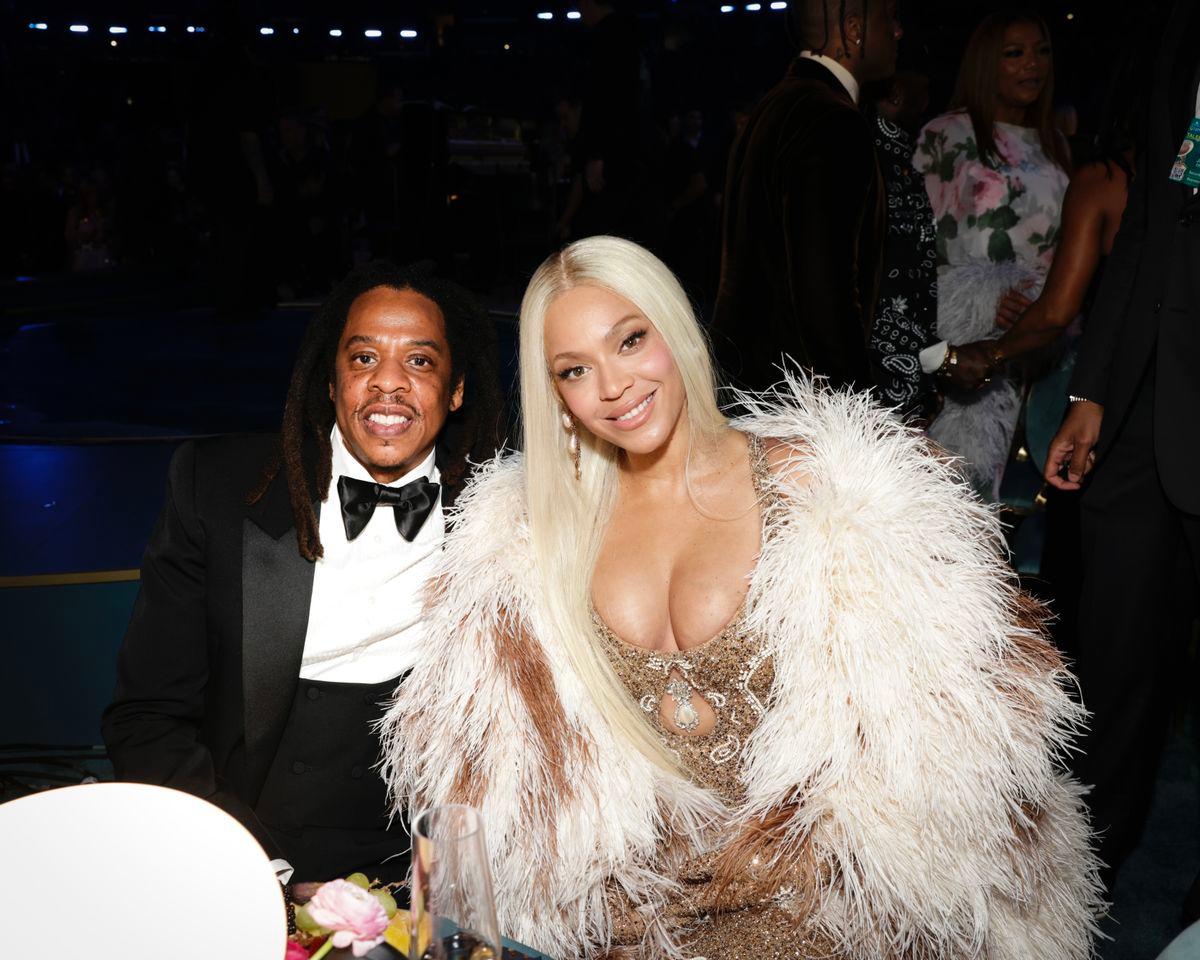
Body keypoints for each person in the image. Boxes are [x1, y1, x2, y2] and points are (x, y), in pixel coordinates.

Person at [381, 236, 1101, 959]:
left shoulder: (826, 493)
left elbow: (958, 754)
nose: (613, 386)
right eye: (575, 369)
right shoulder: (531, 546)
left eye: (631, 340)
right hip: (626, 927)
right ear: (557, 397)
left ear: (676, 330)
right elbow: (487, 788)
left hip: (829, 918)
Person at [101, 261, 502, 886]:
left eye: (419, 362)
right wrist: (265, 877)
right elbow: (147, 718)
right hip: (248, 854)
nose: (387, 385)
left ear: (455, 390)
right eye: (364, 359)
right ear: (331, 380)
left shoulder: (501, 518)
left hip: (434, 873)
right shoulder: (218, 489)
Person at [1042, 0, 1200, 902]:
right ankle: (1075, 892)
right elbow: (1154, 222)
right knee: (1110, 662)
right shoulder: (1178, 30)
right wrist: (1093, 390)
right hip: (1140, 413)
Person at [913, 9, 1071, 499]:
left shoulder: (1056, 142)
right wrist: (973, 309)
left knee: (1034, 504)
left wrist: (1045, 307)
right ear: (986, 63)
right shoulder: (946, 136)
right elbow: (917, 250)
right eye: (1015, 53)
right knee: (958, 499)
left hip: (1042, 348)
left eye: (1041, 52)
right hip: (968, 354)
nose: (1033, 65)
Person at [710, 0, 901, 393]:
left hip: (750, 383)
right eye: (889, 17)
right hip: (798, 400)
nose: (898, 31)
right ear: (854, 29)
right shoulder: (831, 119)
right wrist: (858, 410)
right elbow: (824, 288)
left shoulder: (776, 104)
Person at [866, 69, 939, 421]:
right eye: (923, 91)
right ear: (896, 93)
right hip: (878, 390)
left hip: (906, 380)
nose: (927, 103)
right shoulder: (875, 166)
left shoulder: (899, 162)